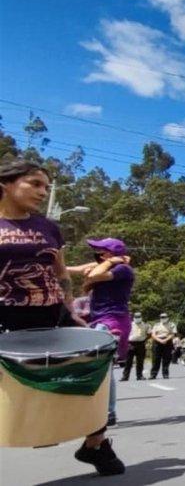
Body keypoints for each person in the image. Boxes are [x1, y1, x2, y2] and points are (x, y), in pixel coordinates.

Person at [0, 158, 125, 475]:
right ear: (6, 184)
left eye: (45, 186)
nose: (43, 192)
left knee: (93, 364)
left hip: (52, 311)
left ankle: (95, 444)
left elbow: (59, 272)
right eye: (35, 184)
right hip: (6, 316)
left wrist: (69, 308)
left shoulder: (48, 228)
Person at [81, 238, 135, 425]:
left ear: (111, 253)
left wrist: (111, 261)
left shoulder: (122, 269)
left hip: (112, 321)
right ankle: (106, 411)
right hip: (102, 320)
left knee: (103, 367)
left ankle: (109, 412)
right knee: (102, 367)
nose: (98, 254)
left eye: (101, 250)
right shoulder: (108, 265)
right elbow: (78, 269)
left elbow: (93, 275)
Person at [148, 312, 175, 379]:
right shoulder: (156, 325)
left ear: (167, 318)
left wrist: (165, 340)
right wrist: (160, 340)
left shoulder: (171, 324)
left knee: (166, 359)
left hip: (167, 341)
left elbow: (172, 334)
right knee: (155, 359)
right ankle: (153, 375)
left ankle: (165, 374)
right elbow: (153, 334)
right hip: (157, 341)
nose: (163, 318)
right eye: (161, 317)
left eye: (164, 317)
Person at [122, 312, 148, 380]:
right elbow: (125, 333)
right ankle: (125, 376)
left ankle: (140, 376)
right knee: (128, 361)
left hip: (141, 344)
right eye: (136, 317)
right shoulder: (130, 324)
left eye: (139, 317)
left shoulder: (145, 325)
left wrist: (145, 340)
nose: (137, 318)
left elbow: (149, 333)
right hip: (131, 344)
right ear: (134, 317)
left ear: (141, 317)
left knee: (140, 361)